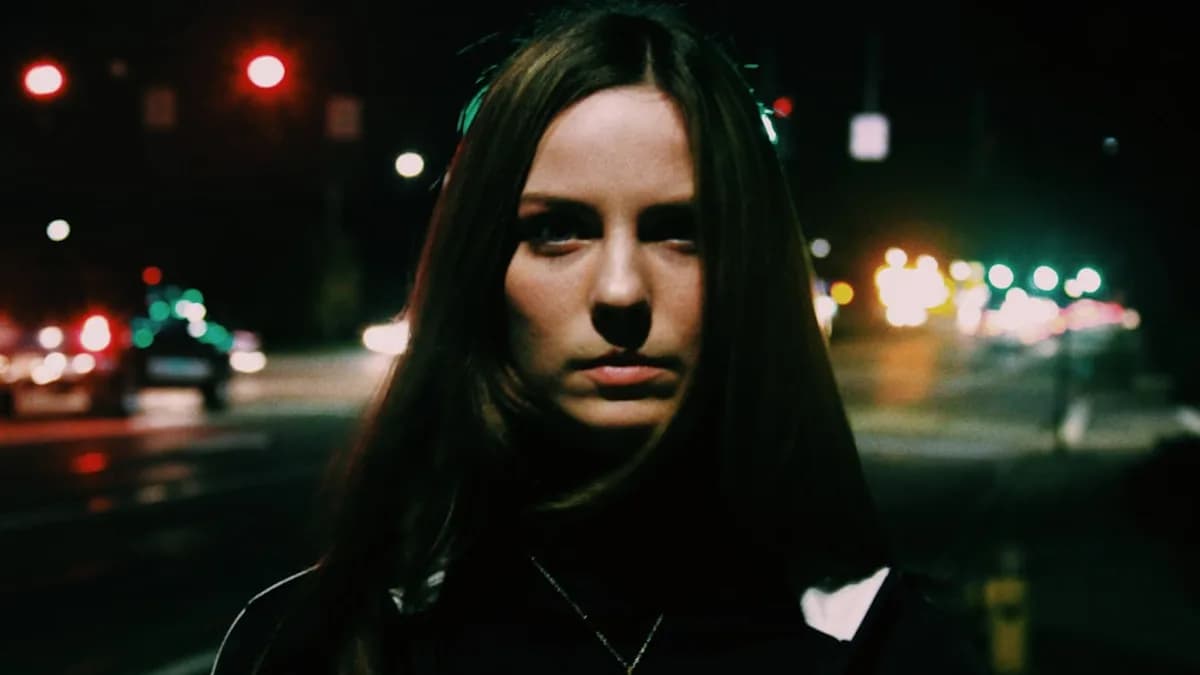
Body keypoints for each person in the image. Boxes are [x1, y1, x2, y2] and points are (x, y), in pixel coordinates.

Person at [212, 2, 987, 673]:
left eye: (681, 231)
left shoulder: (885, 648)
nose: (621, 291)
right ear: (479, 263)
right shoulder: (313, 644)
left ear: (752, 264)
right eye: (557, 230)